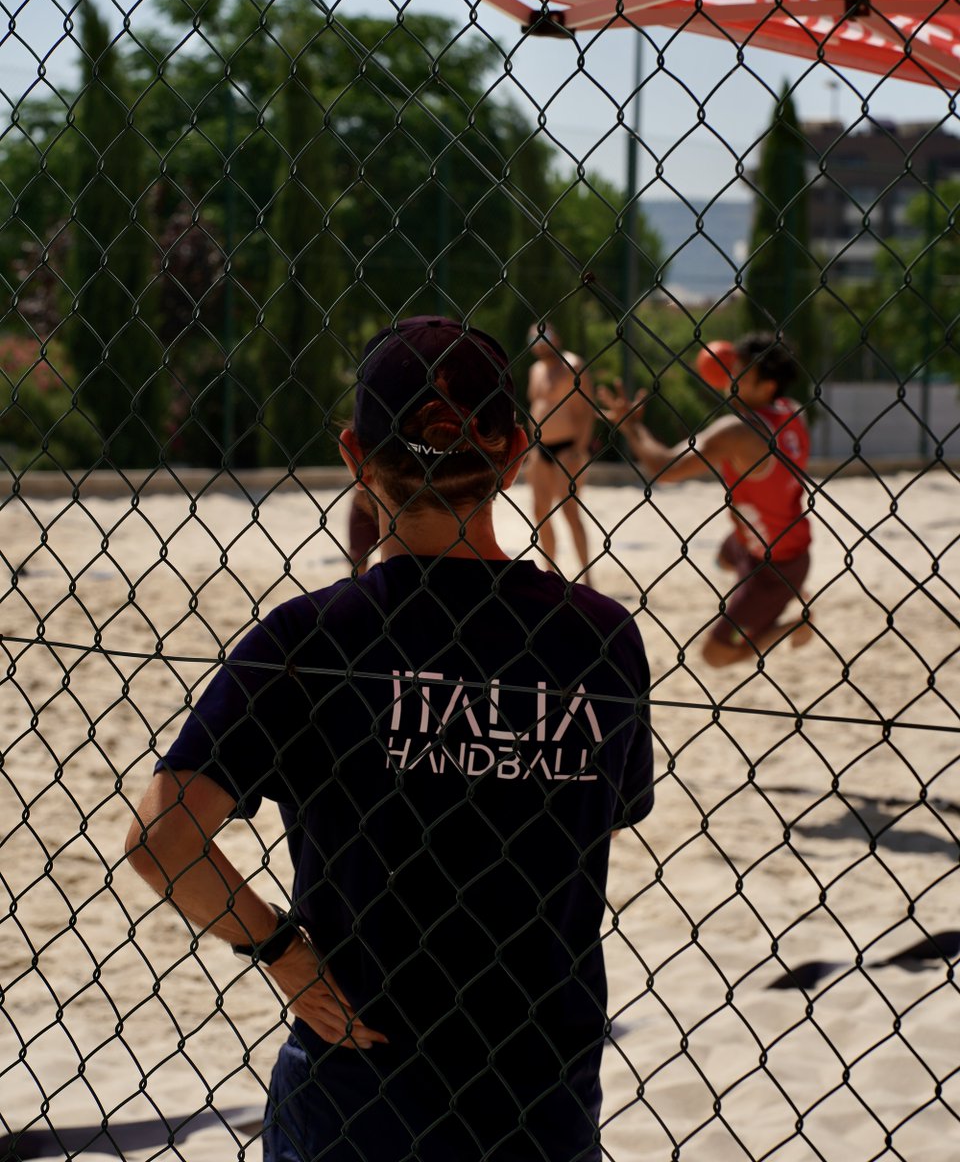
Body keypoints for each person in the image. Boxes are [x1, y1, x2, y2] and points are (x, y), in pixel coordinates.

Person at [125, 315, 655, 1162]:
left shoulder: (309, 640)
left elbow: (161, 840)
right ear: (517, 452)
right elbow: (608, 815)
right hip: (537, 1078)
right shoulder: (599, 637)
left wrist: (277, 948)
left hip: (359, 1078)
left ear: (353, 457)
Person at [601, 332, 813, 669]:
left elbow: (665, 467)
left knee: (713, 657)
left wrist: (631, 428)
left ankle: (795, 624)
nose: (731, 378)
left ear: (767, 387)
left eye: (741, 373)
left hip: (775, 567)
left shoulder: (740, 432)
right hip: (770, 537)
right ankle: (787, 593)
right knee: (724, 559)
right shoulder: (793, 412)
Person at [525, 322, 596, 583]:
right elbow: (537, 405)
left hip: (568, 446)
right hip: (540, 446)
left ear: (557, 338)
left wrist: (579, 448)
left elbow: (586, 410)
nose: (539, 343)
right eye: (535, 339)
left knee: (570, 510)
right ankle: (550, 572)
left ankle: (588, 576)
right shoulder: (535, 370)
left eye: (544, 337)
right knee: (540, 510)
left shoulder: (572, 365)